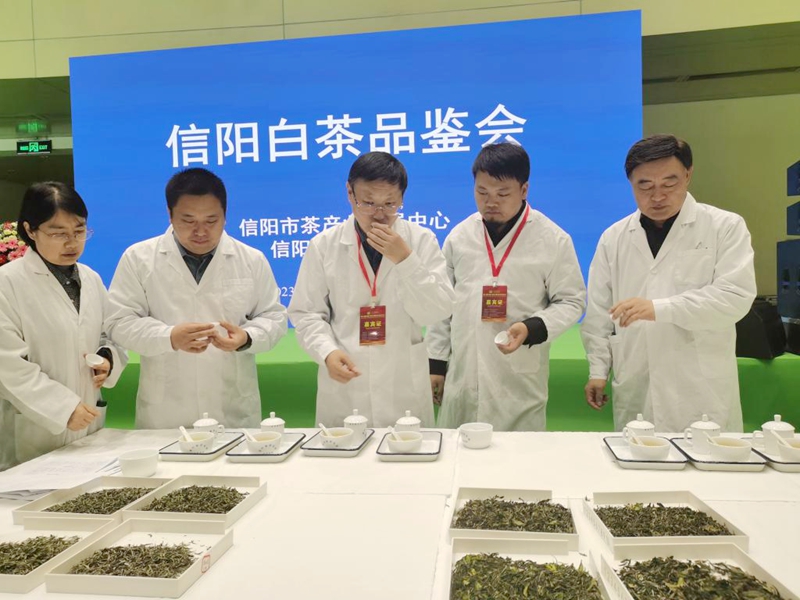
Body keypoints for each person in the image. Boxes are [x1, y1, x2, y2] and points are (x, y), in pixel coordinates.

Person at [581, 134, 756, 432]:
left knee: (705, 455)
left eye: (669, 183)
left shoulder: (724, 226)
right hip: (637, 380)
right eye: (645, 186)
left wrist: (658, 308)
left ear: (688, 175)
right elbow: (599, 311)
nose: (657, 196)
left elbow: (734, 297)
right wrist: (598, 370)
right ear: (631, 184)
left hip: (700, 385)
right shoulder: (614, 238)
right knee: (639, 455)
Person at [105, 168, 287, 429]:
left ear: (225, 215)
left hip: (232, 408)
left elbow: (274, 317)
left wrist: (247, 338)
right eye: (188, 220)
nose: (201, 231)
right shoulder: (138, 259)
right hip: (166, 412)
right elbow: (119, 322)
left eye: (211, 220)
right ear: (170, 214)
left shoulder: (251, 259)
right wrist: (168, 337)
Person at [288, 151, 454, 428]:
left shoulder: (421, 241)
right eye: (368, 203)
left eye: (390, 204)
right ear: (349, 193)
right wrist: (326, 352)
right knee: (347, 451)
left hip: (402, 384)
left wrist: (406, 260)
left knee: (407, 451)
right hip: (346, 384)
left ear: (402, 198)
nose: (379, 215)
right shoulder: (324, 245)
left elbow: (437, 311)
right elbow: (306, 313)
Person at [427, 143, 586, 431]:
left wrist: (533, 327)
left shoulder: (552, 239)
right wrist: (436, 363)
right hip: (462, 375)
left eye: (502, 194)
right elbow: (443, 303)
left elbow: (571, 301)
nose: (491, 202)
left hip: (517, 378)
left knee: (516, 456)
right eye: (482, 192)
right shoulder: (459, 237)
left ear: (524, 190)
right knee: (459, 453)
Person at [0, 182, 126, 471]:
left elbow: (110, 334)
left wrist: (107, 359)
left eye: (79, 231)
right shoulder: (7, 284)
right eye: (58, 233)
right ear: (30, 230)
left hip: (89, 426)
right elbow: (8, 366)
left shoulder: (91, 279)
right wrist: (62, 408)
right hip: (34, 431)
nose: (72, 243)